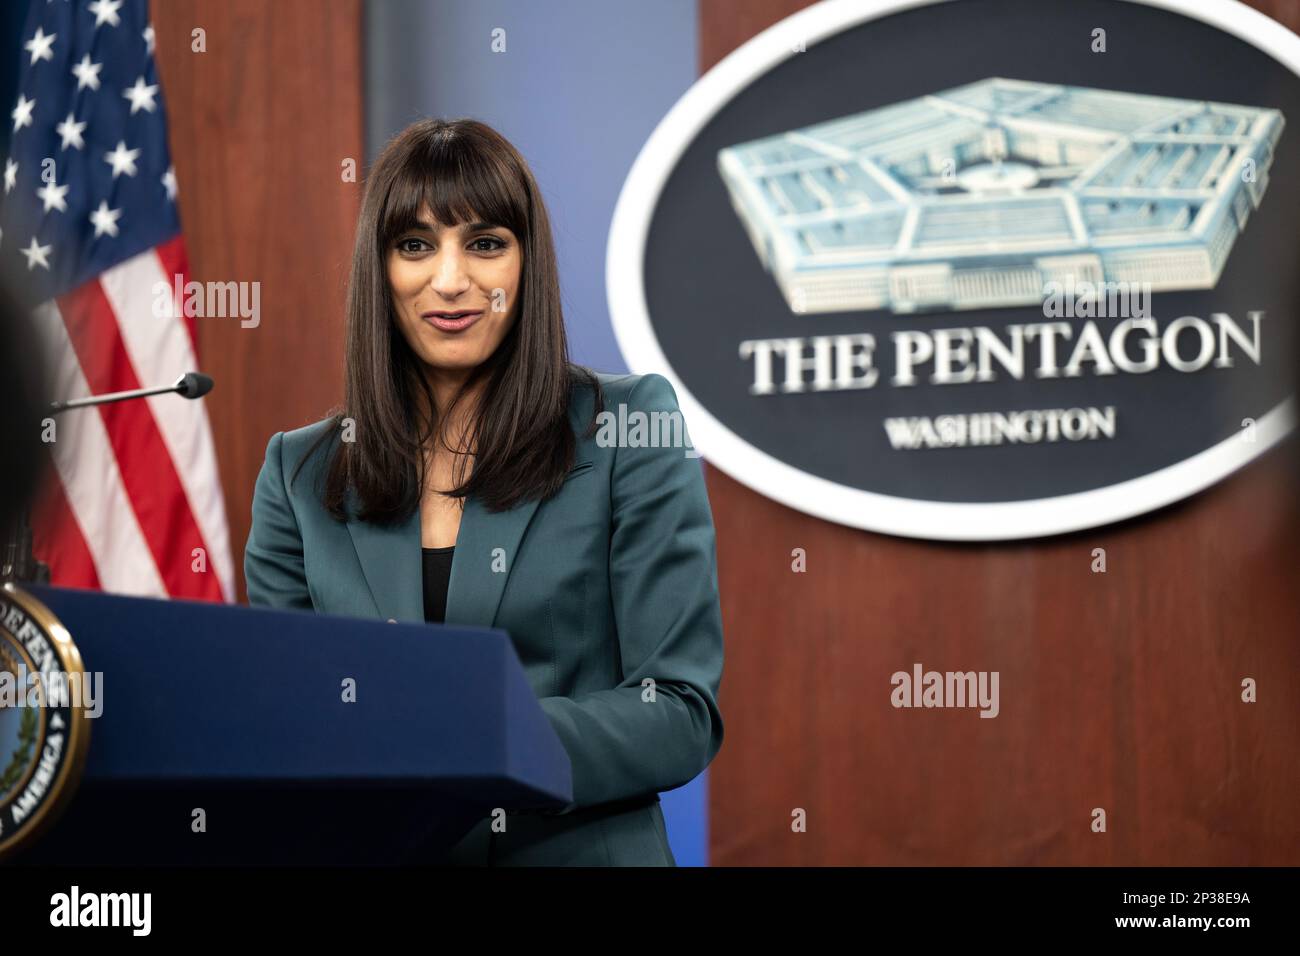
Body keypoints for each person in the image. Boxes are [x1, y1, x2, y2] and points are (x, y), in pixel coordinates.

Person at [243, 118, 724, 866]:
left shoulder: (629, 424)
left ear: (526, 263)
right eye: (415, 246)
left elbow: (680, 712)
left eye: (485, 243)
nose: (450, 280)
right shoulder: (299, 473)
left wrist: (482, 733)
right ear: (381, 269)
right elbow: (290, 725)